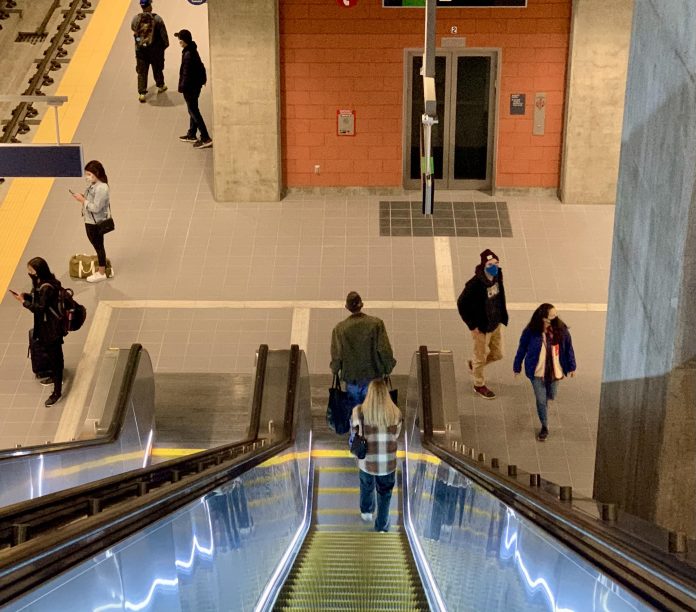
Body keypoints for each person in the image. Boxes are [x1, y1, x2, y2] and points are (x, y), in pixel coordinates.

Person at [513, 303, 577, 441]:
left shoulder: (561, 330)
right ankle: (544, 426)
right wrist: (517, 366)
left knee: (552, 395)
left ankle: (545, 401)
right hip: (537, 372)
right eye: (551, 316)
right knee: (541, 401)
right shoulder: (531, 331)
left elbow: (568, 348)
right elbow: (522, 348)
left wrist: (572, 367)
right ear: (543, 318)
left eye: (555, 315)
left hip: (555, 371)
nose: (555, 318)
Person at [457, 248, 509, 399]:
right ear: (484, 265)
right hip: (481, 327)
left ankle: (474, 366)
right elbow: (462, 303)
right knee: (480, 356)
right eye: (490, 264)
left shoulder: (498, 275)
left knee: (498, 354)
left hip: (495, 323)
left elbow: (500, 296)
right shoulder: (474, 284)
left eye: (496, 263)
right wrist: (472, 325)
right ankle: (479, 384)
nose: (494, 267)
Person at [12, 258, 65, 407]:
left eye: (31, 271)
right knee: (53, 354)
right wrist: (27, 296)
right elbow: (40, 301)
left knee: (55, 356)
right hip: (46, 326)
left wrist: (24, 303)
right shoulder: (43, 281)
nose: (29, 273)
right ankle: (56, 376)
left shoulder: (46, 286)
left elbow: (40, 308)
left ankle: (57, 391)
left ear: (39, 270)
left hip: (51, 328)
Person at [351, 380, 402, 532]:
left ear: (369, 393)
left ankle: (367, 512)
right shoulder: (396, 413)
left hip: (367, 461)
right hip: (388, 463)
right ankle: (381, 525)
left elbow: (354, 431)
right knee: (385, 494)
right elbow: (396, 435)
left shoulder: (359, 411)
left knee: (366, 486)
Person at [330, 291, 396, 407]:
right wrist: (388, 367)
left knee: (355, 413)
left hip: (352, 379)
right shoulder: (376, 324)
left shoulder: (339, 329)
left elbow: (337, 356)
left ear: (347, 307)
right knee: (373, 412)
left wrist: (335, 370)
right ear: (362, 305)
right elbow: (384, 349)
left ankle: (356, 425)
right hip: (373, 378)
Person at [71, 160, 112, 283]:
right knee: (98, 245)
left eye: (89, 174)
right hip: (90, 220)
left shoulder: (102, 188)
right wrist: (83, 196)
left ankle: (101, 272)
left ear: (97, 173)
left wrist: (83, 201)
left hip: (95, 223)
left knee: (99, 246)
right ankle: (102, 267)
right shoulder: (95, 184)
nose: (87, 177)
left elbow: (96, 207)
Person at [175, 29, 212, 149]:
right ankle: (191, 134)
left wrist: (181, 88)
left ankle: (205, 137)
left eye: (180, 40)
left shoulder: (188, 55)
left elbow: (186, 74)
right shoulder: (191, 49)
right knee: (192, 110)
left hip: (191, 87)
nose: (179, 42)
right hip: (196, 85)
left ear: (184, 41)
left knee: (194, 111)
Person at [131, 0, 169, 103]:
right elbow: (163, 36)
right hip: (155, 50)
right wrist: (163, 47)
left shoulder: (136, 19)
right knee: (157, 69)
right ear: (149, 6)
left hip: (140, 51)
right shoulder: (157, 19)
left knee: (142, 72)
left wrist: (139, 43)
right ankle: (161, 86)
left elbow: (135, 32)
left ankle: (142, 93)